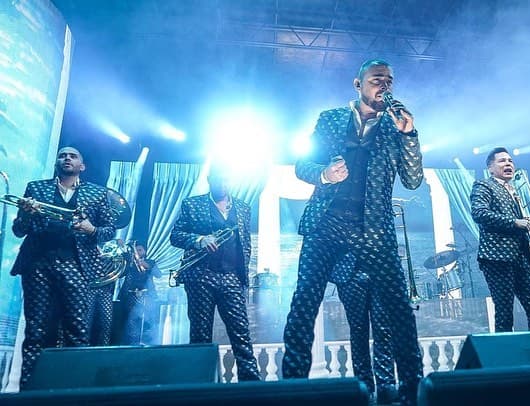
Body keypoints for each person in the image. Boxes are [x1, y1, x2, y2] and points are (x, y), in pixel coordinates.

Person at [281, 58, 423, 405]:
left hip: (373, 229)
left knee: (399, 309)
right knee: (304, 304)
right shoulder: (330, 119)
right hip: (326, 223)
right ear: (358, 84)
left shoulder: (396, 125)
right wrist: (324, 174)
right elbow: (303, 165)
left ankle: (413, 391)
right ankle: (292, 388)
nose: (384, 85)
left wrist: (409, 135)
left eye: (389, 80)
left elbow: (412, 180)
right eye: (377, 79)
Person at [10, 146, 115, 388]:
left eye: (73, 156)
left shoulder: (97, 193)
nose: (67, 158)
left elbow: (109, 230)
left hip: (76, 266)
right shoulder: (36, 188)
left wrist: (92, 229)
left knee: (77, 330)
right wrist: (26, 214)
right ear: (57, 162)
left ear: (82, 166)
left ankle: (75, 389)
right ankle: (29, 390)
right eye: (62, 155)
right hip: (38, 265)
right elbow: (19, 231)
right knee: (35, 331)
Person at [170, 166, 260, 381]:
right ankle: (201, 383)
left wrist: (243, 277)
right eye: (219, 179)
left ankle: (251, 384)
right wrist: (199, 240)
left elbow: (245, 244)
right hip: (200, 276)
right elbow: (175, 236)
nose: (223, 183)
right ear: (210, 179)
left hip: (231, 277)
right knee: (200, 334)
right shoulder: (192, 204)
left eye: (227, 179)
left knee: (241, 332)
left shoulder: (243, 207)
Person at [469, 147, 530, 332]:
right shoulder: (484, 185)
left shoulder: (514, 190)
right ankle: (504, 351)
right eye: (502, 161)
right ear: (490, 168)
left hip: (522, 258)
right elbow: (479, 213)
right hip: (497, 257)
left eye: (510, 161)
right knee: (504, 312)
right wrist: (514, 222)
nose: (508, 164)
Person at [330, 254, 398, 403]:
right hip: (349, 273)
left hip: (379, 271)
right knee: (358, 332)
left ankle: (386, 385)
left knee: (384, 331)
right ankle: (364, 386)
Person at [117, 242, 162, 345]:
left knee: (148, 319)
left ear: (145, 251)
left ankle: (148, 342)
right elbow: (120, 274)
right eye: (135, 250)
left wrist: (143, 264)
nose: (137, 252)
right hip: (130, 295)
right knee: (131, 320)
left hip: (147, 295)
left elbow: (159, 275)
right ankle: (132, 343)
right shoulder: (128, 262)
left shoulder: (150, 262)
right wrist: (128, 262)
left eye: (140, 250)